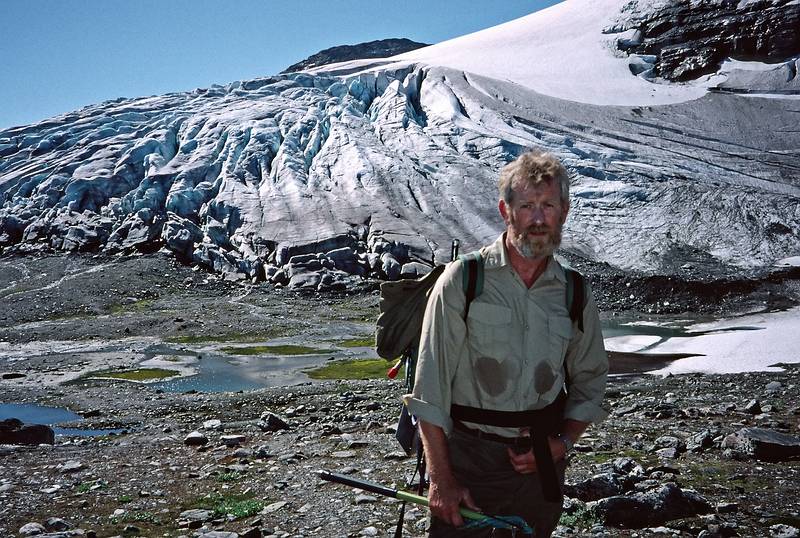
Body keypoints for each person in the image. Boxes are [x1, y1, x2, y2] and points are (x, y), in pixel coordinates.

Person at [403, 150, 608, 537]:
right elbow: (429, 388)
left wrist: (561, 444)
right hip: (468, 460)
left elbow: (591, 379)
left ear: (563, 212)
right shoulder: (463, 280)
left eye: (548, 206)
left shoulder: (573, 291)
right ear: (505, 210)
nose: (537, 218)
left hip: (542, 469)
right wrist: (440, 479)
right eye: (527, 205)